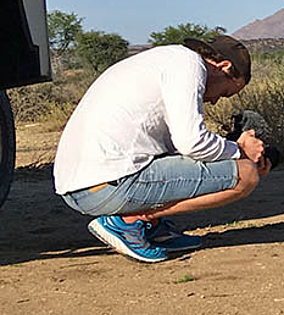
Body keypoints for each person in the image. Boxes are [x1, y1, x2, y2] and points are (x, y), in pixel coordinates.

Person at [53, 34, 271, 262]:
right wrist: (241, 151)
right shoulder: (189, 65)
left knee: (234, 165)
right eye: (225, 92)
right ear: (224, 67)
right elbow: (192, 142)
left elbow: (177, 149)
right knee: (245, 175)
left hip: (80, 186)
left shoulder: (164, 60)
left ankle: (153, 226)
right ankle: (130, 222)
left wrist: (231, 151)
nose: (215, 100)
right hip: (105, 185)